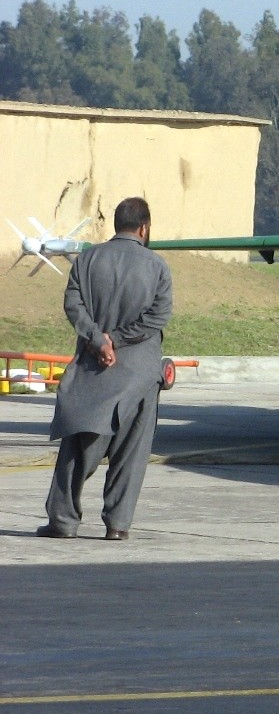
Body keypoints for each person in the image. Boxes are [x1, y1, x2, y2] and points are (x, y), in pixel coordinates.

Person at [36, 197, 173, 541]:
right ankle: (117, 525)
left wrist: (98, 339)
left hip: (92, 372)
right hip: (139, 376)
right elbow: (156, 318)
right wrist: (118, 339)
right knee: (131, 454)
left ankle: (63, 522)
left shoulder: (88, 258)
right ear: (144, 228)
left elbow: (73, 303)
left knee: (78, 449)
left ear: (116, 225)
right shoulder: (157, 267)